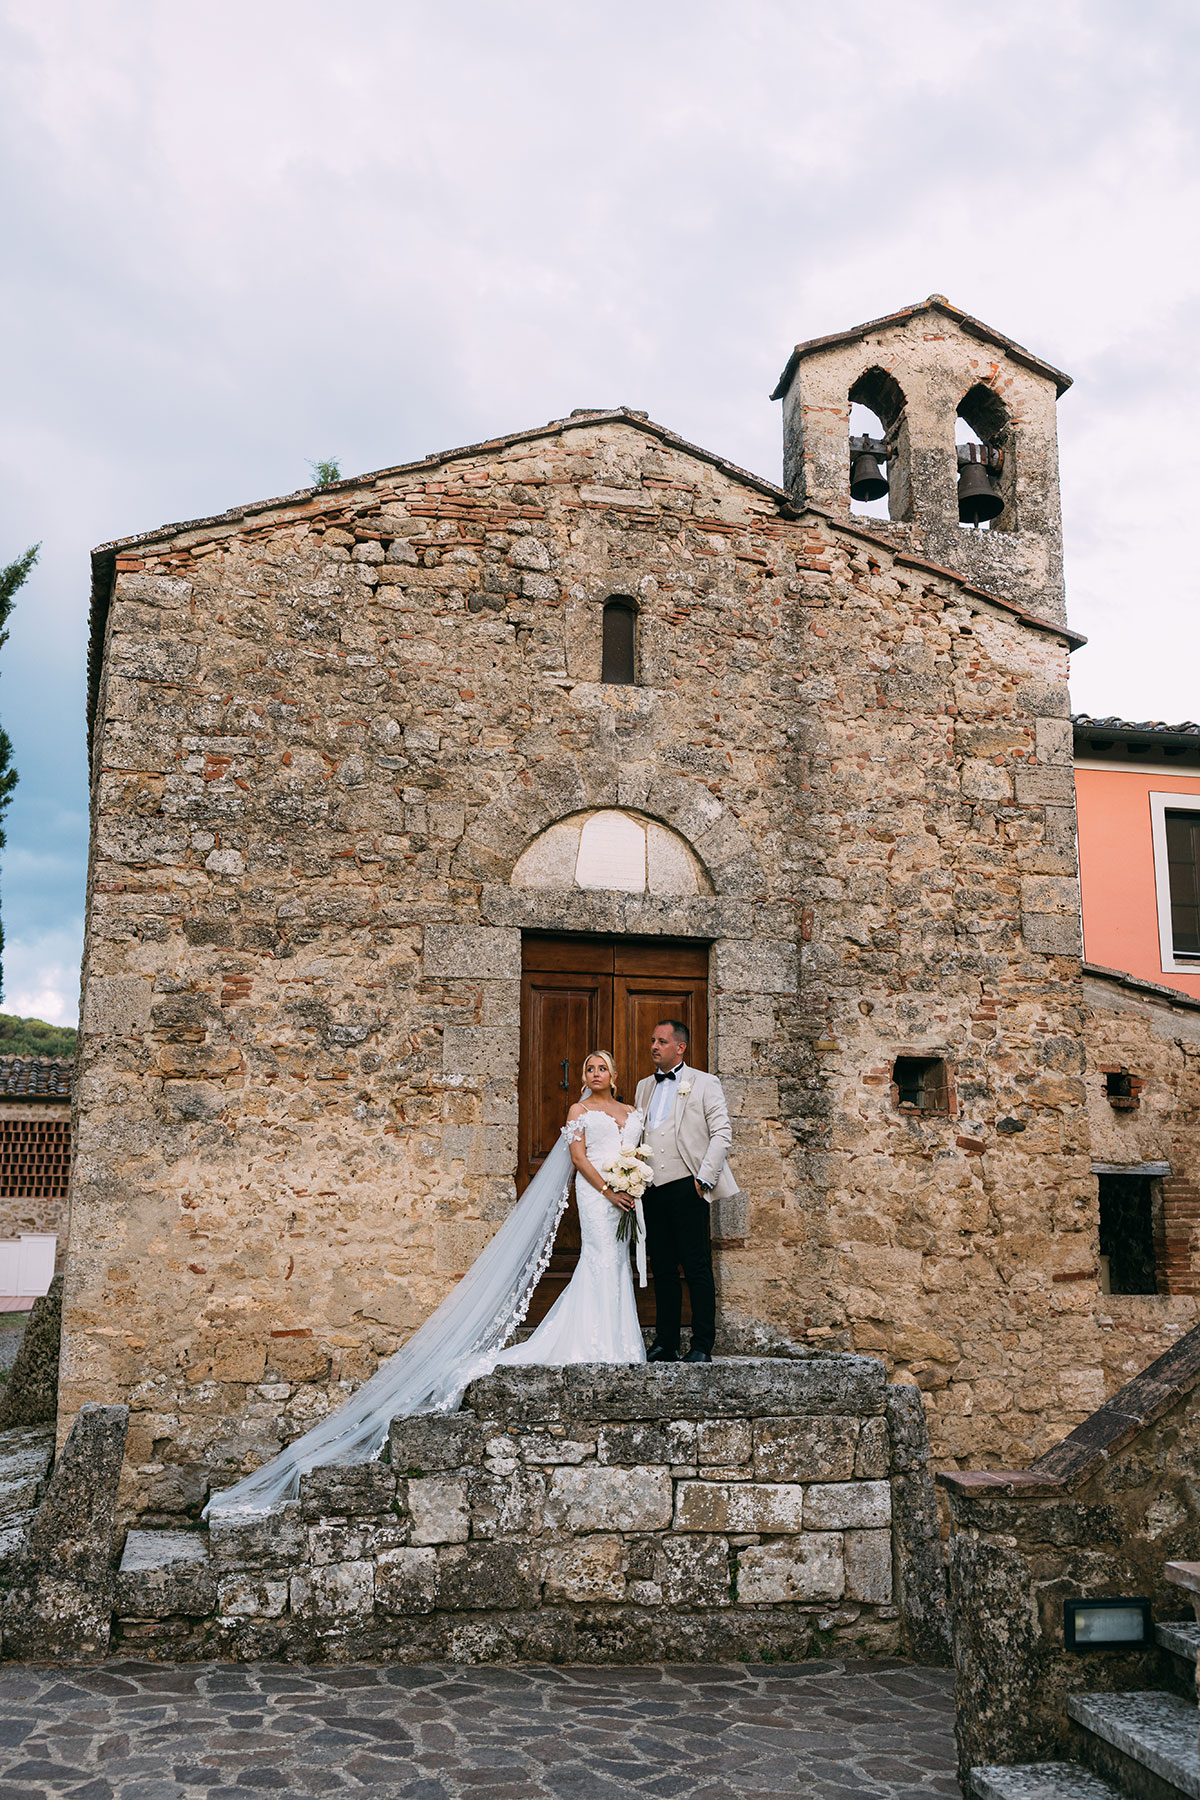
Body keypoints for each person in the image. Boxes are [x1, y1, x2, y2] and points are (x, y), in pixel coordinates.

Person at [205, 1049, 646, 1518]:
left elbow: (638, 1153)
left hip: (628, 1195)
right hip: (598, 1193)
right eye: (588, 1069)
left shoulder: (631, 1112)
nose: (595, 1074)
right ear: (584, 1077)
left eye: (601, 1068)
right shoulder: (580, 1111)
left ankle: (619, 1342)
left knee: (616, 1262)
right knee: (598, 1257)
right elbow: (577, 1157)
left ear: (616, 1075)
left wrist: (634, 1184)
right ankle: (591, 1340)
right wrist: (608, 1189)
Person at [634, 1020, 736, 1365]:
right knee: (662, 1267)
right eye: (652, 1040)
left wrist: (704, 1179)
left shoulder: (705, 1083)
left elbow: (722, 1134)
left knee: (696, 1267)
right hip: (653, 1188)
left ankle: (702, 1344)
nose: (654, 1046)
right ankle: (666, 1342)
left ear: (680, 1047)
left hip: (688, 1185)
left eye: (661, 1041)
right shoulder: (643, 1087)